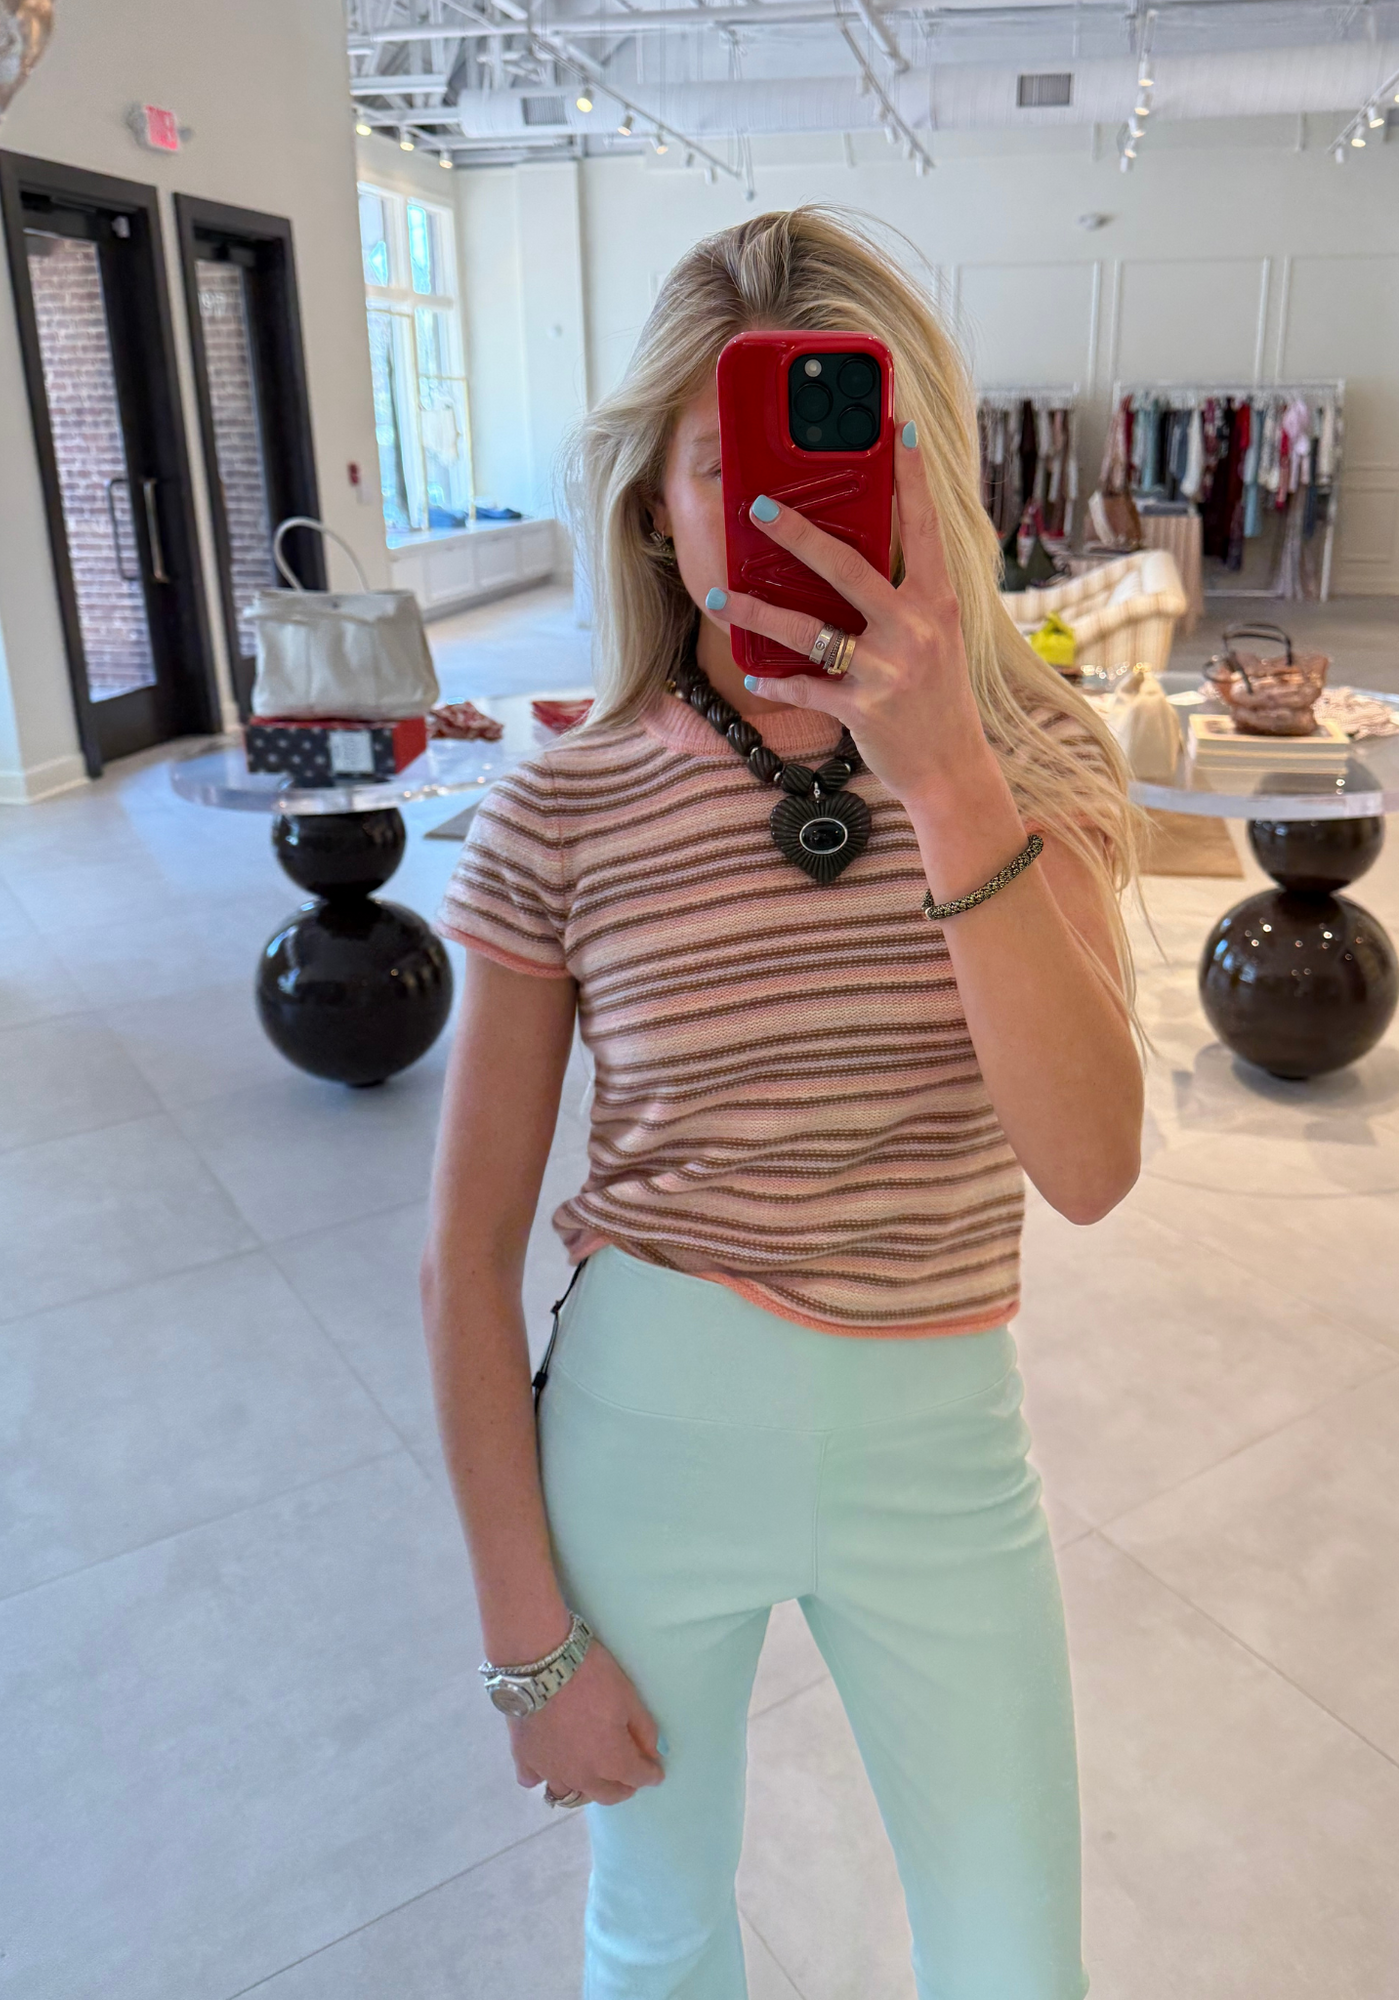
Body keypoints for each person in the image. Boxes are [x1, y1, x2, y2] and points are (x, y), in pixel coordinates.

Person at [421, 205, 1143, 2000]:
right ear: (655, 507)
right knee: (657, 1941)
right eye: (720, 467)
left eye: (843, 469)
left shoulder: (1035, 767)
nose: (784, 519)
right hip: (643, 1446)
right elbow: (465, 1258)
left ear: (923, 489)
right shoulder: (560, 807)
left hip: (945, 1459)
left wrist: (947, 779)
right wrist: (526, 1641)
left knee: (1017, 1965)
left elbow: (1090, 1167)